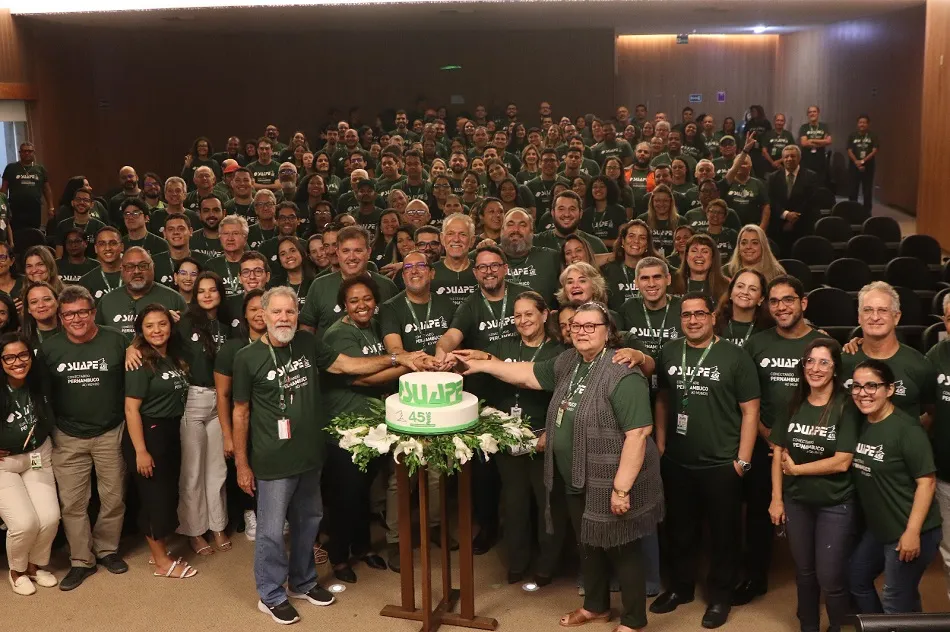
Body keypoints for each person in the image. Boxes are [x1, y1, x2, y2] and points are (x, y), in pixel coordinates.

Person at [450, 301, 662, 632]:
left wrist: (621, 487)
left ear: (608, 332)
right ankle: (596, 607)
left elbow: (638, 434)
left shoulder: (623, 371)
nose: (582, 332)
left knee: (623, 549)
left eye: (591, 326)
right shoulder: (570, 362)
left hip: (613, 479)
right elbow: (527, 373)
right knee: (588, 543)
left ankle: (634, 620)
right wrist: (484, 365)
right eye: (577, 326)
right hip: (576, 474)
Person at [231, 286, 425, 624]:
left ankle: (303, 582)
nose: (283, 318)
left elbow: (347, 365)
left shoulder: (307, 343)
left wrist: (398, 358)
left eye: (290, 312)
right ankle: (271, 594)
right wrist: (241, 463)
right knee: (272, 531)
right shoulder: (247, 358)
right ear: (262, 315)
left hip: (310, 454)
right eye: (276, 312)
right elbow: (240, 412)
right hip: (272, 459)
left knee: (309, 522)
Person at [651, 292, 760, 629]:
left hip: (721, 463)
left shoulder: (735, 356)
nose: (693, 320)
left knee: (724, 535)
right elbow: (663, 400)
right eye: (686, 315)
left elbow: (750, 410)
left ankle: (720, 597)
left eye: (700, 314)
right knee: (679, 530)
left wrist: (742, 460)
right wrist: (661, 443)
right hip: (679, 461)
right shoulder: (668, 352)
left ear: (713, 317)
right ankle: (680, 588)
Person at [767, 337, 859, 632]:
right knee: (805, 573)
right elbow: (778, 452)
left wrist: (798, 470)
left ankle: (835, 626)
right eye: (810, 361)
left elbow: (843, 461)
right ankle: (808, 625)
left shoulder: (846, 406)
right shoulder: (792, 403)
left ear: (835, 369)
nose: (815, 368)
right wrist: (776, 498)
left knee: (829, 576)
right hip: (797, 502)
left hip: (836, 503)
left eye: (824, 362)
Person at [42, 285, 129, 590]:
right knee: (73, 503)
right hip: (68, 436)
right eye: (68, 314)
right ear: (60, 318)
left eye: (81, 312)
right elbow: (44, 395)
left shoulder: (118, 341)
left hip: (110, 431)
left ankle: (107, 550)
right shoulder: (50, 349)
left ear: (93, 312)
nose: (76, 319)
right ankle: (81, 560)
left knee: (113, 497)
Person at [322, 275, 406, 582]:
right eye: (354, 300)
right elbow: (364, 377)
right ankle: (339, 557)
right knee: (346, 496)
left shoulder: (373, 327)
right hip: (344, 430)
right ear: (344, 304)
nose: (362, 305)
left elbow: (378, 368)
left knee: (363, 494)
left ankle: (361, 547)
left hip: (372, 427)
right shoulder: (337, 334)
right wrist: (407, 363)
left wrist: (395, 365)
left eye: (367, 299)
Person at [849, 359, 942, 614]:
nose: (862, 392)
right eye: (856, 386)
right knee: (857, 579)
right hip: (880, 529)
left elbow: (927, 482)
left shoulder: (907, 430)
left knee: (896, 599)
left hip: (910, 530)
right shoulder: (863, 422)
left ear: (889, 389)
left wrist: (912, 532)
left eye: (871, 386)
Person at [123, 304, 196, 579]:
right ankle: (161, 563)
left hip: (169, 430)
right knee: (155, 498)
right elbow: (131, 409)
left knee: (165, 495)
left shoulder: (171, 356)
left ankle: (160, 553)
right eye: (150, 325)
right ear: (140, 330)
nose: (157, 330)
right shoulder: (139, 360)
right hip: (148, 432)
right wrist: (141, 451)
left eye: (162, 324)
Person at [0, 333, 60, 595]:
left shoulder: (40, 381)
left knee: (49, 518)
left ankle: (35, 567)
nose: (17, 362)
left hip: (37, 455)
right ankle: (17, 571)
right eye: (9, 357)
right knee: (24, 523)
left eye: (23, 355)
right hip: (4, 464)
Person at [213, 289, 265, 540]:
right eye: (253, 309)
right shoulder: (232, 348)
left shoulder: (282, 343)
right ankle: (249, 511)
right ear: (244, 314)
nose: (259, 314)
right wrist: (227, 434)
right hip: (241, 419)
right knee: (245, 464)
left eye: (264, 308)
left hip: (269, 420)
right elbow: (222, 395)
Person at [843, 282, 935, 418]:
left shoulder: (920, 365)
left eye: (883, 310)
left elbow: (933, 414)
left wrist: (911, 436)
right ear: (859, 317)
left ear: (896, 317)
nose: (875, 317)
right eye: (867, 310)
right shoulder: (843, 361)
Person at [300, 225, 398, 334]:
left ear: (369, 252)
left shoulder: (387, 286)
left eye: (358, 250)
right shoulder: (319, 286)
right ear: (337, 253)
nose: (351, 257)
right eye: (346, 251)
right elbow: (306, 330)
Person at [95, 248, 187, 342]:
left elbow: (187, 339)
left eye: (143, 266)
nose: (136, 271)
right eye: (130, 267)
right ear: (121, 269)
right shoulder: (107, 301)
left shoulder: (174, 299)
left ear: (153, 267)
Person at [766, 145, 819, 258]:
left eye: (793, 156)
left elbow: (811, 201)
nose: (789, 159)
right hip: (779, 228)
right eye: (786, 157)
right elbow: (770, 200)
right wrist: (785, 215)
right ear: (783, 159)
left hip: (803, 226)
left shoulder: (811, 176)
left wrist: (793, 218)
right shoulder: (772, 177)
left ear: (799, 158)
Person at [601, 220, 661, 311]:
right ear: (623, 241)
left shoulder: (656, 270)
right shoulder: (608, 270)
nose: (636, 241)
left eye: (642, 238)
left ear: (647, 245)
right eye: (631, 236)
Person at [2, 142, 53, 237]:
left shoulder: (40, 169)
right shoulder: (11, 168)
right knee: (16, 234)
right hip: (15, 208)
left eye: (30, 151)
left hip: (34, 208)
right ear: (20, 153)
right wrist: (4, 208)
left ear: (34, 153)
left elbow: (47, 189)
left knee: (33, 234)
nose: (27, 153)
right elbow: (4, 190)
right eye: (24, 151)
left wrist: (51, 207)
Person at [714, 269, 771, 348]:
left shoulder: (769, 329)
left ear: (761, 298)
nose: (745, 292)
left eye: (753, 289)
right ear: (731, 292)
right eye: (740, 286)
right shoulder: (713, 323)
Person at [724, 139, 770, 231]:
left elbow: (766, 207)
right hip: (729, 228)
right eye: (739, 164)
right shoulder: (727, 183)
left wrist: (762, 228)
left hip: (752, 228)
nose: (741, 165)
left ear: (750, 166)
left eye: (744, 163)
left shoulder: (758, 183)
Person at [670, 233, 729, 301]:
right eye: (694, 251)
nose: (699, 255)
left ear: (713, 257)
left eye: (705, 251)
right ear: (686, 256)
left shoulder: (725, 286)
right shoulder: (672, 282)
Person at [78, 227, 124, 301]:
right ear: (96, 248)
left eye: (113, 243)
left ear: (122, 247)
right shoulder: (86, 281)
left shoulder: (134, 276)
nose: (108, 248)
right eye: (102, 244)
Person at [847, 115, 879, 211]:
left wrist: (863, 161)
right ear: (857, 124)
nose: (862, 124)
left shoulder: (873, 136)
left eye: (864, 122)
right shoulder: (852, 135)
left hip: (868, 166)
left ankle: (867, 212)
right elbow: (849, 150)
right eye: (860, 122)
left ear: (868, 124)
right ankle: (852, 210)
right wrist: (857, 162)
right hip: (854, 166)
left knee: (867, 190)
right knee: (853, 190)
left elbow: (874, 150)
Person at [21, 281, 60, 351]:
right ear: (28, 309)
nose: (41, 305)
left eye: (47, 299)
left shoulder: (74, 333)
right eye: (34, 302)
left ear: (57, 302)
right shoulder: (21, 339)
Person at [798, 106, 832, 186]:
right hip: (807, 158)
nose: (812, 114)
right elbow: (804, 143)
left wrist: (812, 140)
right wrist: (821, 142)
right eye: (810, 112)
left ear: (818, 113)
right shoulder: (804, 127)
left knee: (820, 181)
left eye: (814, 111)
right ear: (807, 114)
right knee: (807, 181)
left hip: (820, 157)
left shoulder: (824, 126)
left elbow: (828, 141)